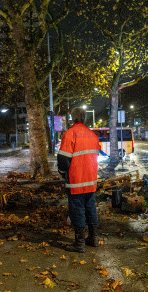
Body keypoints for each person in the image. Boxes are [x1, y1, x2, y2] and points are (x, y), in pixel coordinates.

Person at [57, 108, 101, 253]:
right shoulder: (92, 135)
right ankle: (94, 238)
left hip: (76, 180)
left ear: (73, 118)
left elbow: (63, 159)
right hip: (91, 179)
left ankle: (79, 244)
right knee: (91, 208)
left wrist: (63, 173)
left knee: (77, 210)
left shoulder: (70, 133)